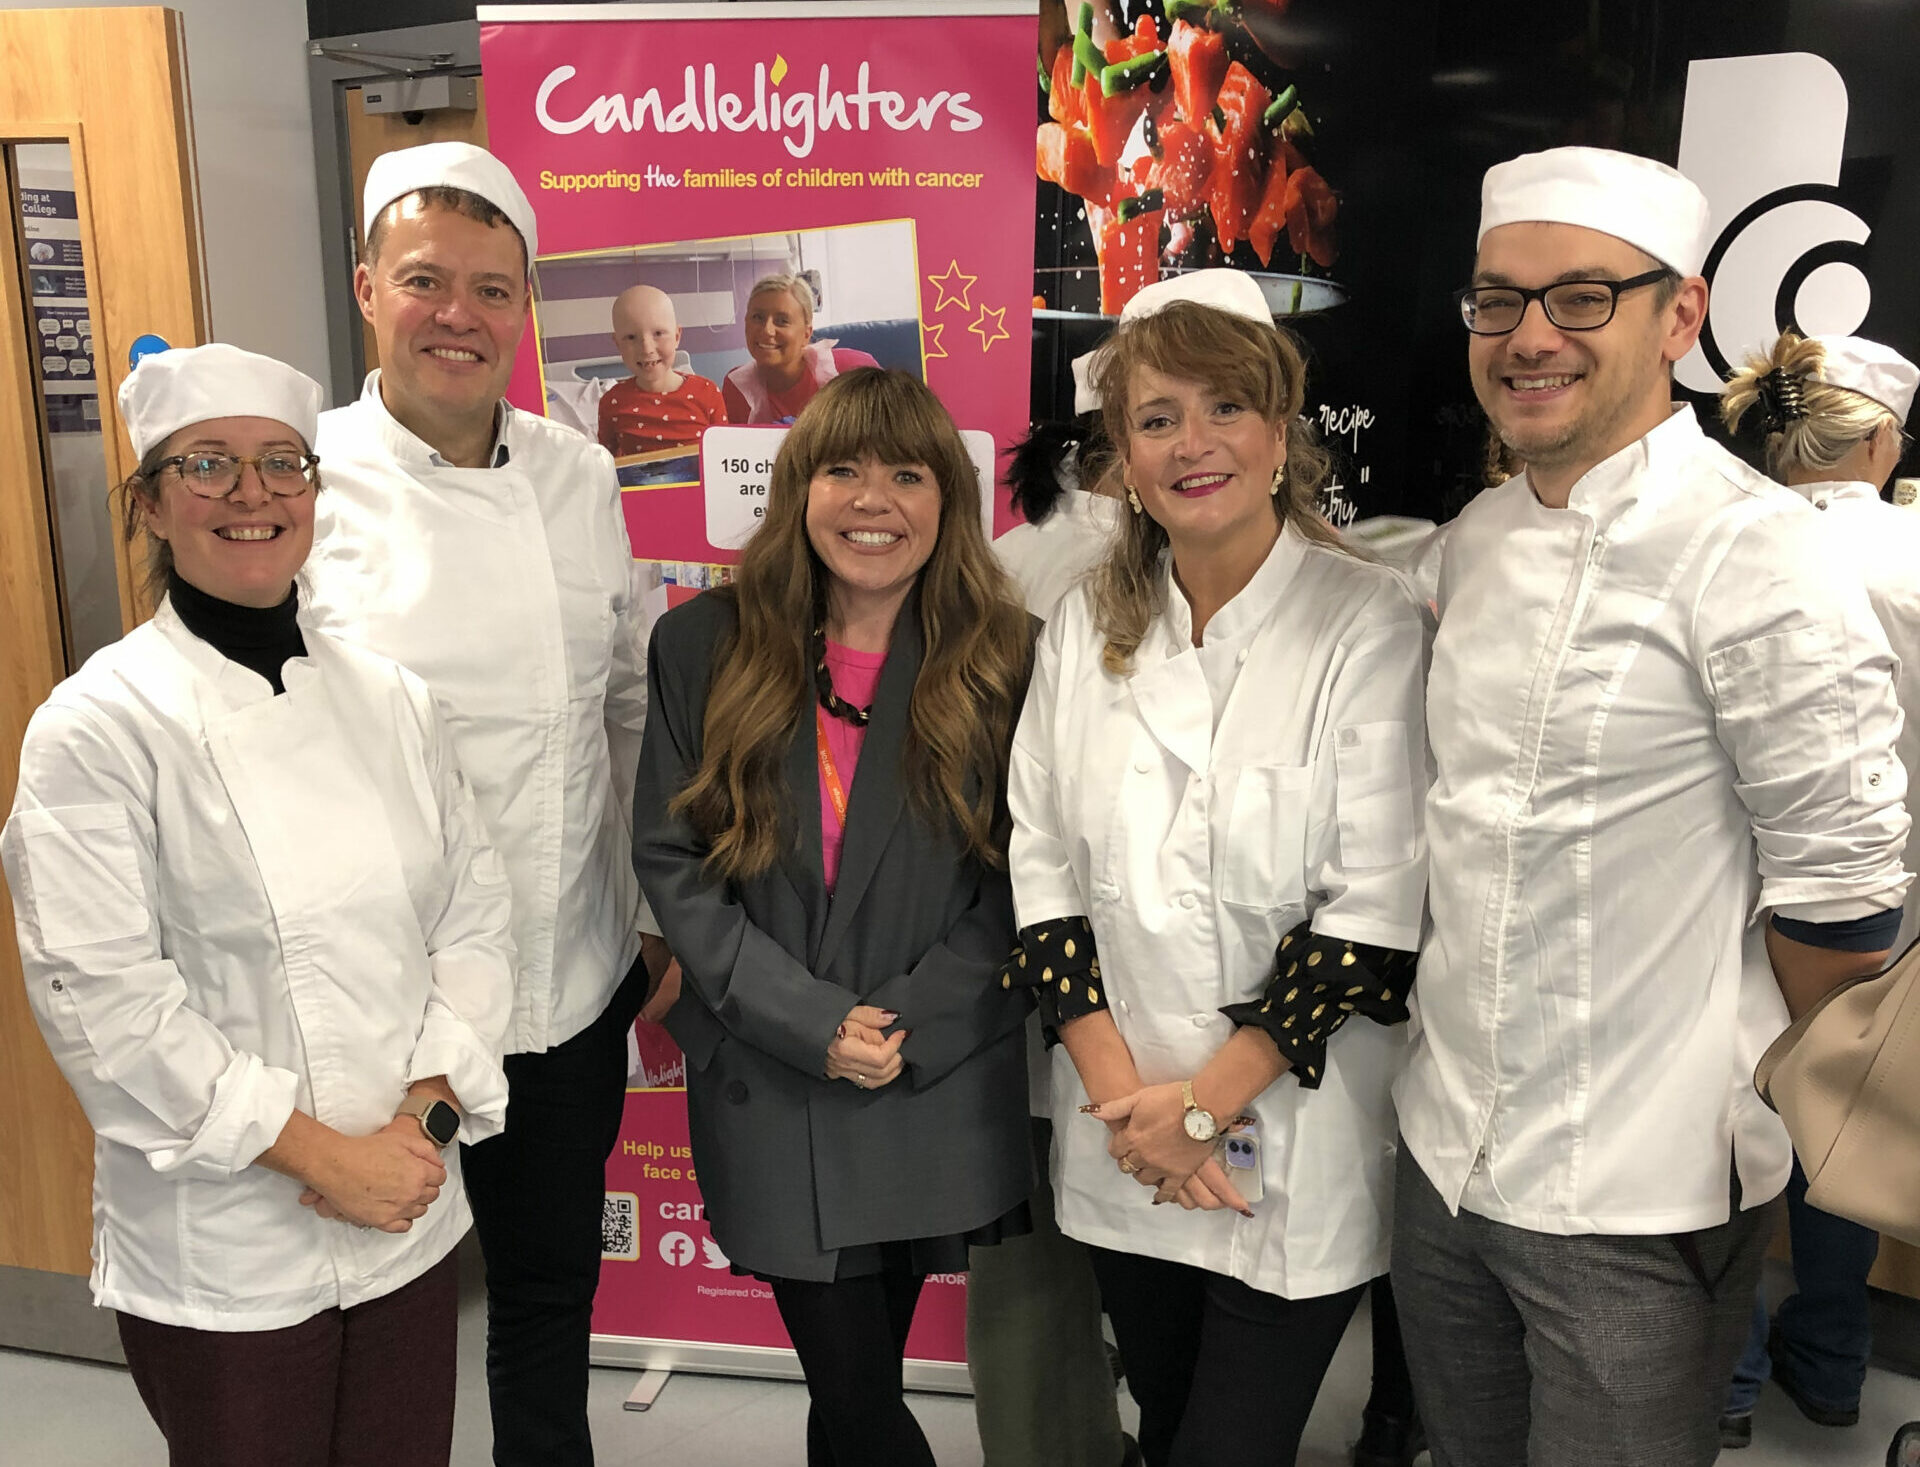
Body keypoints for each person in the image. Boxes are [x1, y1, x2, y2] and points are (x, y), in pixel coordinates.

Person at [1393, 145, 1912, 1467]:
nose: (1527, 337)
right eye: (1496, 300)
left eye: (1581, 297)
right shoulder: (1476, 538)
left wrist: (1776, 1107)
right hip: (1444, 1149)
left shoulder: (1758, 551)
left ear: (1678, 314)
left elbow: (1842, 890)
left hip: (1638, 1185)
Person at [1, 343, 515, 1467]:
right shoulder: (98, 728)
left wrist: (419, 1125)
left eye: (283, 463)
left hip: (405, 1210)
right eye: (209, 465)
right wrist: (324, 1158)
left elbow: (473, 924)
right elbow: (105, 1007)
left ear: (316, 493)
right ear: (148, 505)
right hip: (226, 1247)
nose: (253, 494)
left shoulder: (392, 702)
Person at [1006, 268, 1430, 1467]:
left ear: (1281, 430)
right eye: (1156, 419)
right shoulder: (1089, 623)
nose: (1194, 444)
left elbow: (1373, 915)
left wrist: (1200, 1111)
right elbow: (1039, 864)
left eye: (1225, 408)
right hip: (1123, 1126)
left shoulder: (1366, 621)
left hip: (1288, 1137)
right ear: (1123, 458)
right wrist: (1128, 1108)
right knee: (1163, 1415)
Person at [300, 140, 670, 1467]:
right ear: (365, 289)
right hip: (378, 995)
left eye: (491, 289)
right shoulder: (305, 479)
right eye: (423, 281)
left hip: (564, 975)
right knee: (369, 1297)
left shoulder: (575, 474)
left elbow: (624, 700)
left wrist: (648, 913)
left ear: (523, 306)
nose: (457, 315)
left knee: (546, 1291)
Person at [632, 367, 1035, 1467]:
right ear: (796, 488)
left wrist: (900, 1029)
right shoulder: (702, 645)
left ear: (948, 498)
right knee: (853, 1388)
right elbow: (673, 859)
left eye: (908, 473)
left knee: (854, 1389)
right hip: (775, 1070)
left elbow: (1033, 878)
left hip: (929, 1075)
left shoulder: (1008, 655)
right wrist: (811, 1021)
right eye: (842, 469)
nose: (874, 500)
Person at [1715, 331, 1920, 1449]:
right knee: (1853, 1129)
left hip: (1739, 911)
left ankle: (1732, 1375)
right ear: (1883, 438)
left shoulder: (1727, 550)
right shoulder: (1913, 559)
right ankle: (1834, 1362)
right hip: (1894, 915)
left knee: (1743, 1128)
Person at [971, 407, 1132, 1467]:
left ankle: (1057, 1445)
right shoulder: (1088, 573)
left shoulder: (998, 561)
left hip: (1017, 974)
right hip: (1073, 974)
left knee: (1029, 1249)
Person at [720, 273, 882, 425]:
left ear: (806, 333)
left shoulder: (853, 369)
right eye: (758, 317)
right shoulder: (736, 387)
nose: (767, 330)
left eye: (782, 321)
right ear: (746, 323)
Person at [597, 283, 726, 456]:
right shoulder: (612, 402)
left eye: (658, 333)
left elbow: (725, 457)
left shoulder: (708, 393)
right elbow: (606, 465)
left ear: (677, 336)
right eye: (630, 337)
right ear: (618, 344)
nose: (646, 348)